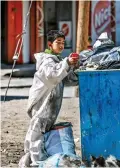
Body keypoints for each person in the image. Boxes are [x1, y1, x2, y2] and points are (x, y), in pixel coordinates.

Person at [19, 30, 79, 167]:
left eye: (63, 43)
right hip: (42, 103)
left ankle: (36, 159)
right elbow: (53, 75)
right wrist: (67, 63)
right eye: (58, 42)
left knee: (42, 131)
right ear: (50, 44)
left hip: (51, 105)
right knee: (36, 132)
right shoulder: (47, 61)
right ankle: (35, 162)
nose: (61, 45)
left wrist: (74, 66)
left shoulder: (57, 60)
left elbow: (69, 77)